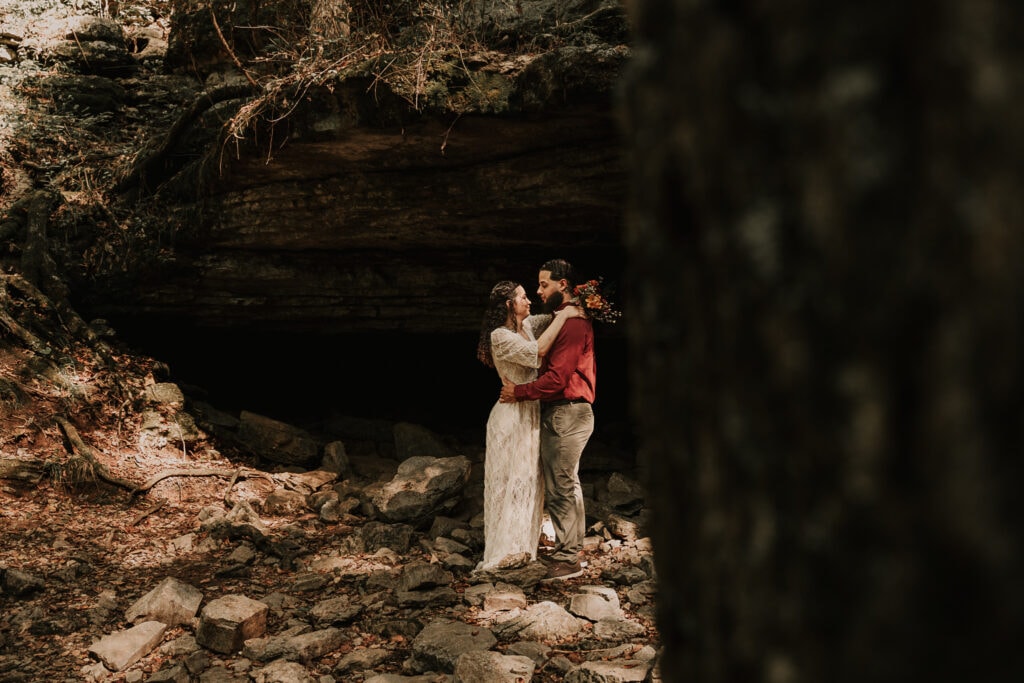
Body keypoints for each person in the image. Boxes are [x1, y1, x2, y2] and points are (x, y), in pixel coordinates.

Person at [475, 280, 582, 571]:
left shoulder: (528, 325)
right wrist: (564, 317)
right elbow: (538, 351)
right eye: (522, 297)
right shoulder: (500, 336)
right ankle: (503, 550)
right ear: (509, 305)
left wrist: (580, 302)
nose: (529, 301)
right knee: (508, 481)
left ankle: (523, 548)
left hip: (530, 412)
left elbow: (554, 313)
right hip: (510, 415)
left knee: (529, 482)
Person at [500, 258, 596, 581]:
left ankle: (568, 558)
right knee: (569, 481)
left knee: (559, 486)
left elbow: (556, 380)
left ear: (563, 285)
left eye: (544, 285)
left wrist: (519, 391)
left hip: (567, 412)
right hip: (570, 412)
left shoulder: (571, 325)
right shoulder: (563, 318)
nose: (539, 291)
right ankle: (574, 548)